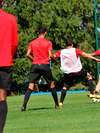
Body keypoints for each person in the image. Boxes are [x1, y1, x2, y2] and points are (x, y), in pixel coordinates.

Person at [21, 26, 61, 111]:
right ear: (45, 33)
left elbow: (27, 54)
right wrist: (55, 61)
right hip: (45, 65)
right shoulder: (48, 42)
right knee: (52, 85)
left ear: (38, 33)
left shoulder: (32, 42)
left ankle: (24, 106)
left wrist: (34, 60)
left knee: (31, 86)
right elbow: (50, 55)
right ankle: (57, 105)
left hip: (35, 65)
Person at [53, 39, 100, 106]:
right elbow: (85, 55)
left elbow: (53, 56)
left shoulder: (62, 52)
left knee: (65, 86)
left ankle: (60, 103)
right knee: (89, 76)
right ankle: (92, 93)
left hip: (68, 73)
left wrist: (55, 61)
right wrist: (95, 59)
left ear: (66, 45)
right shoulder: (75, 50)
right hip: (78, 71)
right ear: (72, 44)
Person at [0, 0, 19, 132]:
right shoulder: (10, 19)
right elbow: (14, 44)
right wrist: (9, 55)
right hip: (5, 61)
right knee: (2, 97)